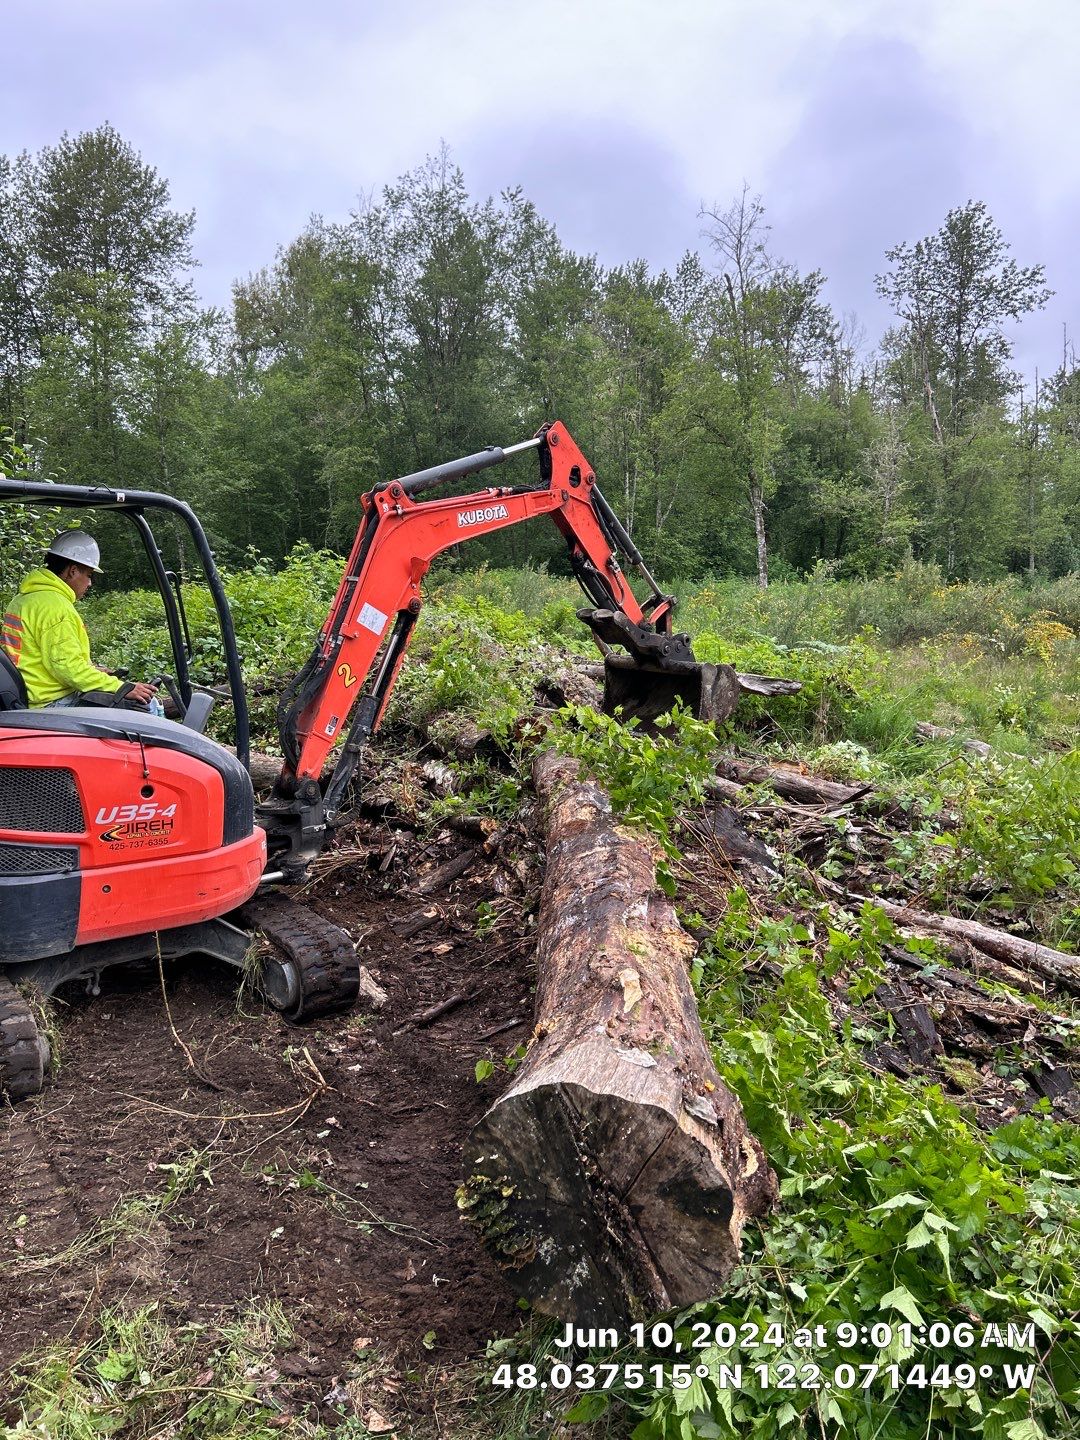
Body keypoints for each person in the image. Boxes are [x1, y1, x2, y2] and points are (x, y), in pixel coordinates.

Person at [1, 530, 158, 710]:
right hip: (51, 701)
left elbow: (38, 656)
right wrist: (121, 687)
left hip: (31, 692)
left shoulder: (24, 599)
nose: (90, 583)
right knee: (147, 706)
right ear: (73, 571)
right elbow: (68, 668)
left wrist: (93, 672)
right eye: (89, 575)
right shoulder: (55, 608)